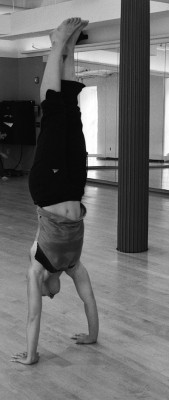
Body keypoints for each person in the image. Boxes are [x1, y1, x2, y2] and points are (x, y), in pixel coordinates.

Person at [11, 18, 99, 365]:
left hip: (46, 188)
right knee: (71, 114)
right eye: (49, 296)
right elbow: (89, 300)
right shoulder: (74, 266)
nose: (50, 297)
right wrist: (92, 336)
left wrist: (31, 356)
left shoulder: (36, 268)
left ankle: (56, 43)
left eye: (47, 296)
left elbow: (33, 317)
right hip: (75, 186)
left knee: (51, 112)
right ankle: (71, 46)